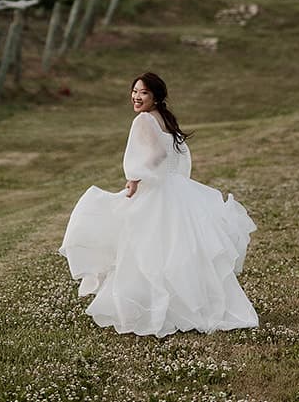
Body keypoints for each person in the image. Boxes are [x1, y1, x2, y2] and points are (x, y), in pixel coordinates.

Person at [58, 72, 258, 336]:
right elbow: (178, 156)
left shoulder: (143, 120)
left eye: (144, 93)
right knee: (174, 249)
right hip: (175, 188)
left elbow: (157, 154)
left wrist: (135, 177)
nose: (137, 97)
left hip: (157, 190)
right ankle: (185, 305)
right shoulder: (163, 118)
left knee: (145, 249)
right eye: (135, 91)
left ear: (155, 97)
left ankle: (154, 309)